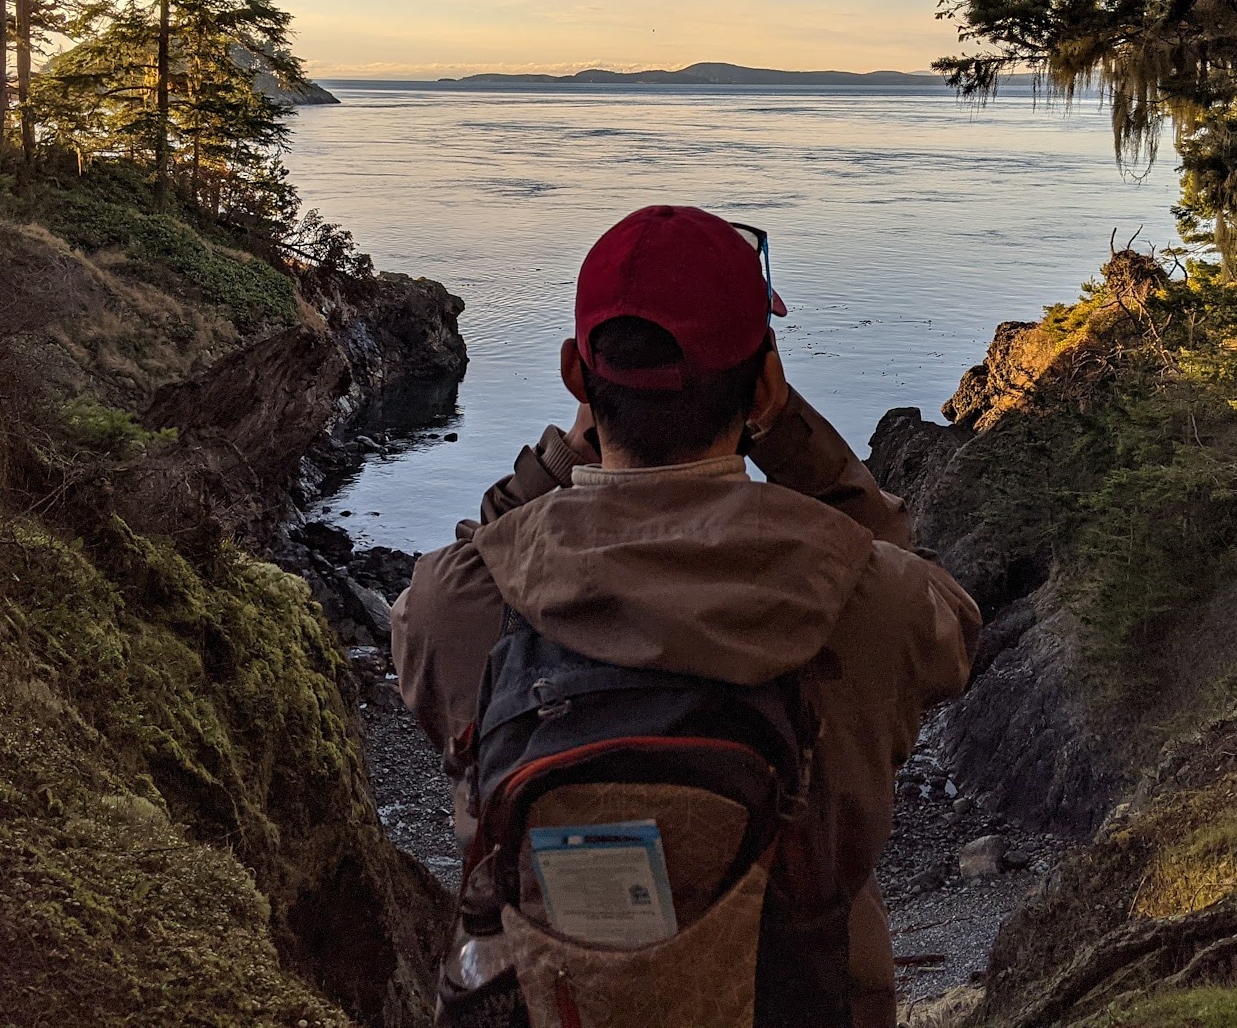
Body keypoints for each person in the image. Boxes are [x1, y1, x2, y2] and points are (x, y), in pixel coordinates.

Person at [391, 204, 980, 1026]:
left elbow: (467, 564)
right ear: (766, 386)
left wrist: (560, 459)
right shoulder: (868, 597)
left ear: (576, 374)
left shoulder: (459, 603)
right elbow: (943, 608)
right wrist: (792, 440)